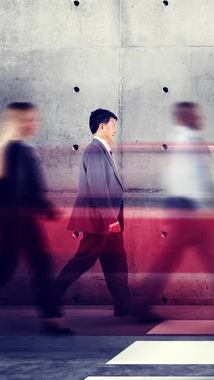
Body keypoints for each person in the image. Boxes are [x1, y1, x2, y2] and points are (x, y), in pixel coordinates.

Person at [0, 102, 71, 334]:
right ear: (21, 122)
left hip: (10, 218)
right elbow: (25, 188)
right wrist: (46, 208)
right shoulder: (19, 151)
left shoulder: (6, 150)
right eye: (31, 119)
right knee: (40, 266)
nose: (35, 123)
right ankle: (51, 320)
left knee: (2, 266)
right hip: (21, 219)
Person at [133, 102, 214, 318]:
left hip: (188, 210)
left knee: (212, 259)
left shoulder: (189, 140)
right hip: (190, 211)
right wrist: (207, 207)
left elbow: (197, 178)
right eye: (195, 114)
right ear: (184, 117)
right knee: (202, 259)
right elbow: (189, 181)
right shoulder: (186, 142)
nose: (200, 117)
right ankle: (141, 304)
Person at [54, 108, 130, 317]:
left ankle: (123, 304)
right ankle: (50, 296)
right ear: (102, 126)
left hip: (107, 220)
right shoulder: (95, 150)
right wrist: (110, 219)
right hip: (100, 221)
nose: (115, 130)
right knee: (84, 259)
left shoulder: (102, 150)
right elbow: (98, 186)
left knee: (116, 261)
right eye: (113, 125)